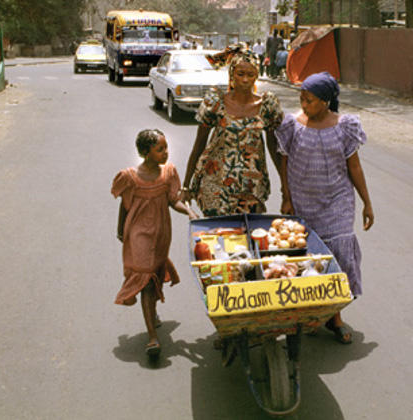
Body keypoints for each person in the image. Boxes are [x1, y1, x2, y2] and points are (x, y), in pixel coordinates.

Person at [275, 72, 374, 344]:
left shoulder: (345, 126)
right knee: (308, 258)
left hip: (337, 201)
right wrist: (286, 196)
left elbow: (353, 166)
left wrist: (367, 202)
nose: (304, 104)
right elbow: (284, 163)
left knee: (340, 253)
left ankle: (335, 317)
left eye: (310, 100)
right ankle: (309, 311)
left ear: (326, 102)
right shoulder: (292, 125)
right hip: (303, 201)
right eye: (302, 99)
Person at [112, 129, 198, 357]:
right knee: (146, 278)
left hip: (161, 235)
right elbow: (125, 204)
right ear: (144, 152)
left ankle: (152, 314)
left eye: (166, 147)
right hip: (138, 234)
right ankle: (152, 338)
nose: (165, 153)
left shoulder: (168, 173)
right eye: (160, 149)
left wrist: (189, 211)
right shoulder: (130, 177)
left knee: (155, 273)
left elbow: (173, 201)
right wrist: (121, 230)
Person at [181, 43, 285, 216]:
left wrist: (286, 189)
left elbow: (274, 148)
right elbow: (199, 144)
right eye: (240, 74)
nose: (245, 80)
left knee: (248, 237)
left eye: (250, 75)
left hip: (251, 187)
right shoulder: (216, 102)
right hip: (215, 185)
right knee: (217, 237)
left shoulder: (267, 105)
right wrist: (186, 185)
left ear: (256, 76)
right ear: (231, 75)